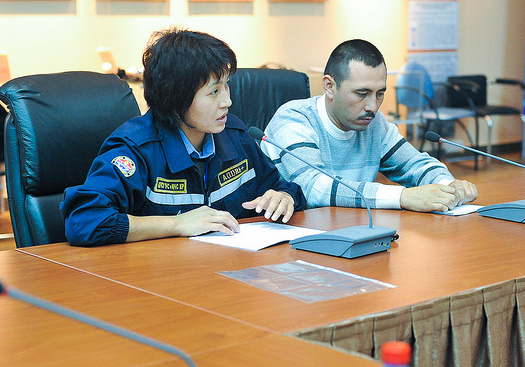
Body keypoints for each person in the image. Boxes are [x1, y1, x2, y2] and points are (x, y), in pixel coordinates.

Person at [61, 27, 306, 246]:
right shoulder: (137, 149)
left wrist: (284, 197)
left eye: (227, 86)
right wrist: (177, 225)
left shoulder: (233, 134)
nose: (227, 101)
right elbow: (85, 221)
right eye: (214, 92)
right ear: (176, 99)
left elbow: (279, 185)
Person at [261, 39, 477, 213]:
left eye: (379, 93)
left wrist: (447, 185)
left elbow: (413, 163)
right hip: (295, 236)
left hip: (353, 229)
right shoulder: (293, 119)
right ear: (329, 86)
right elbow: (316, 188)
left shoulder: (374, 122)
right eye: (362, 94)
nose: (373, 106)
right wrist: (403, 197)